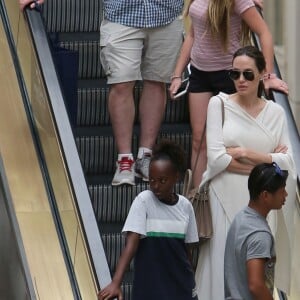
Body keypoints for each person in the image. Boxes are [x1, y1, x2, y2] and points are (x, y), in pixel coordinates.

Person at [194, 46, 296, 299]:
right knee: (219, 266)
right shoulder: (218, 104)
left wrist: (245, 153)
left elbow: (288, 163)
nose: (240, 80)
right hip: (223, 194)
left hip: (261, 202)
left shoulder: (276, 112)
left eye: (248, 74)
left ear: (262, 74)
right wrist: (268, 166)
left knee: (257, 268)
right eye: (235, 74)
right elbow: (217, 159)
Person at [169, 0, 288, 188]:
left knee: (230, 140)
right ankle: (199, 195)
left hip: (229, 75)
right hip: (199, 74)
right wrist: (177, 74)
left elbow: (264, 32)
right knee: (199, 139)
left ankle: (231, 189)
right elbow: (192, 35)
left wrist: (267, 75)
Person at [98, 140, 199, 300]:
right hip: (150, 286)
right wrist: (116, 282)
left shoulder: (185, 206)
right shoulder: (144, 201)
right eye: (152, 180)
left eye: (162, 181)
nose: (156, 186)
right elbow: (130, 245)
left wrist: (192, 283)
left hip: (181, 287)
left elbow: (187, 251)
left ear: (176, 178)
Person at [100, 1, 184, 186]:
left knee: (156, 81)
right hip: (121, 14)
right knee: (121, 83)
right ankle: (124, 160)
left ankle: (145, 155)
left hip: (166, 12)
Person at [224, 162, 288, 300]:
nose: (286, 195)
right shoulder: (260, 234)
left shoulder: (241, 218)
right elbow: (256, 285)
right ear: (265, 195)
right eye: (282, 191)